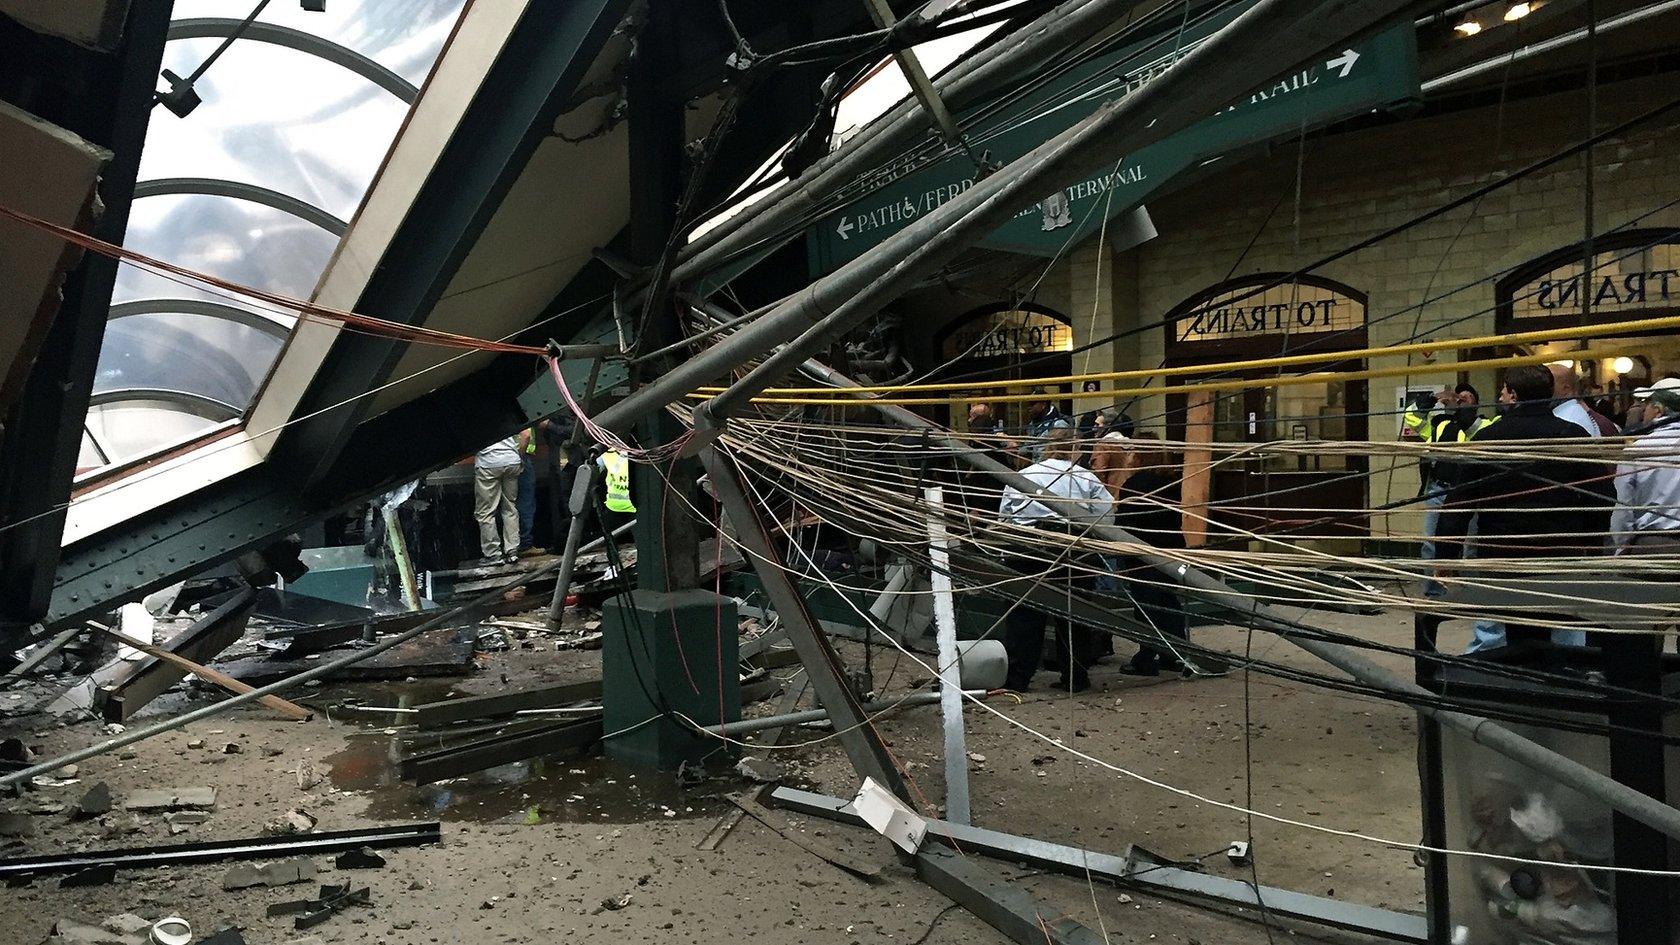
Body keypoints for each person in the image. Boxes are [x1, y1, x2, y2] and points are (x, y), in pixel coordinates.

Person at [1436, 365, 1615, 651]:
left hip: (1501, 556)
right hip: (1558, 555)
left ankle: (1524, 676)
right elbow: (1602, 497)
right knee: (1550, 622)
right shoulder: (1572, 436)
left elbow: (1459, 504)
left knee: (1515, 628)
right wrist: (1588, 545)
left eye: (1504, 390)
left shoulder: (1487, 439)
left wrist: (1446, 555)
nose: (1501, 396)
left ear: (1513, 394)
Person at [999, 428, 1113, 692]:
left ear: (1048, 447)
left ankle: (1018, 679)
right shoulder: (1086, 477)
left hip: (1029, 546)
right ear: (1076, 449)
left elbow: (1005, 514)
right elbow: (1106, 514)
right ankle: (1075, 678)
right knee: (1073, 616)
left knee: (1025, 616)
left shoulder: (1026, 475)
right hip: (1075, 548)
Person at [1107, 434, 1191, 677]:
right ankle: (1174, 654)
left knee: (1146, 607)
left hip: (1143, 554)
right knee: (1169, 604)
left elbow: (1125, 523)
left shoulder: (1135, 484)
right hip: (1171, 550)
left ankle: (1146, 656)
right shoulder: (1172, 482)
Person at [1418, 384, 1497, 598]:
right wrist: (1432, 399)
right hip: (1439, 490)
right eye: (1459, 397)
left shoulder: (1487, 425)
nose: (1462, 400)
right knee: (1430, 542)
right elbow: (1414, 418)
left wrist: (1464, 413)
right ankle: (1432, 591)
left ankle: (1473, 592)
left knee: (1471, 544)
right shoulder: (1442, 425)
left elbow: (1479, 434)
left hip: (1468, 492)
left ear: (1476, 402)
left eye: (1468, 397)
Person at [1613, 380, 1680, 553]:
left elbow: (1623, 507)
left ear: (1659, 410)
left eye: (1647, 404)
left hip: (1651, 544)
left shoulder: (1639, 449)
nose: (1644, 410)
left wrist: (1621, 547)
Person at [473, 434, 524, 565]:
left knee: (486, 512)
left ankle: (493, 554)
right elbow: (526, 435)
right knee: (510, 507)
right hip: (512, 461)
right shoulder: (504, 414)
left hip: (488, 463)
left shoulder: (473, 416)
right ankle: (512, 551)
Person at [1548, 363, 1613, 437]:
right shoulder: (1571, 413)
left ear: (1566, 388)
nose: (1545, 388)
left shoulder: (1568, 418)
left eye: (1549, 384)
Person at [1020, 389, 1072, 462]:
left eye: (1032, 404)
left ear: (1043, 405)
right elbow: (1027, 448)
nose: (1029, 408)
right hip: (1036, 468)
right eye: (1028, 404)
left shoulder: (1058, 424)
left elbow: (1061, 454)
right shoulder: (1033, 425)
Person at [515, 427, 541, 555]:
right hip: (520, 455)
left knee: (506, 504)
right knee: (525, 501)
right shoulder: (521, 410)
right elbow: (525, 435)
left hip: (504, 456)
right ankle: (524, 544)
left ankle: (507, 546)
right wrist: (519, 458)